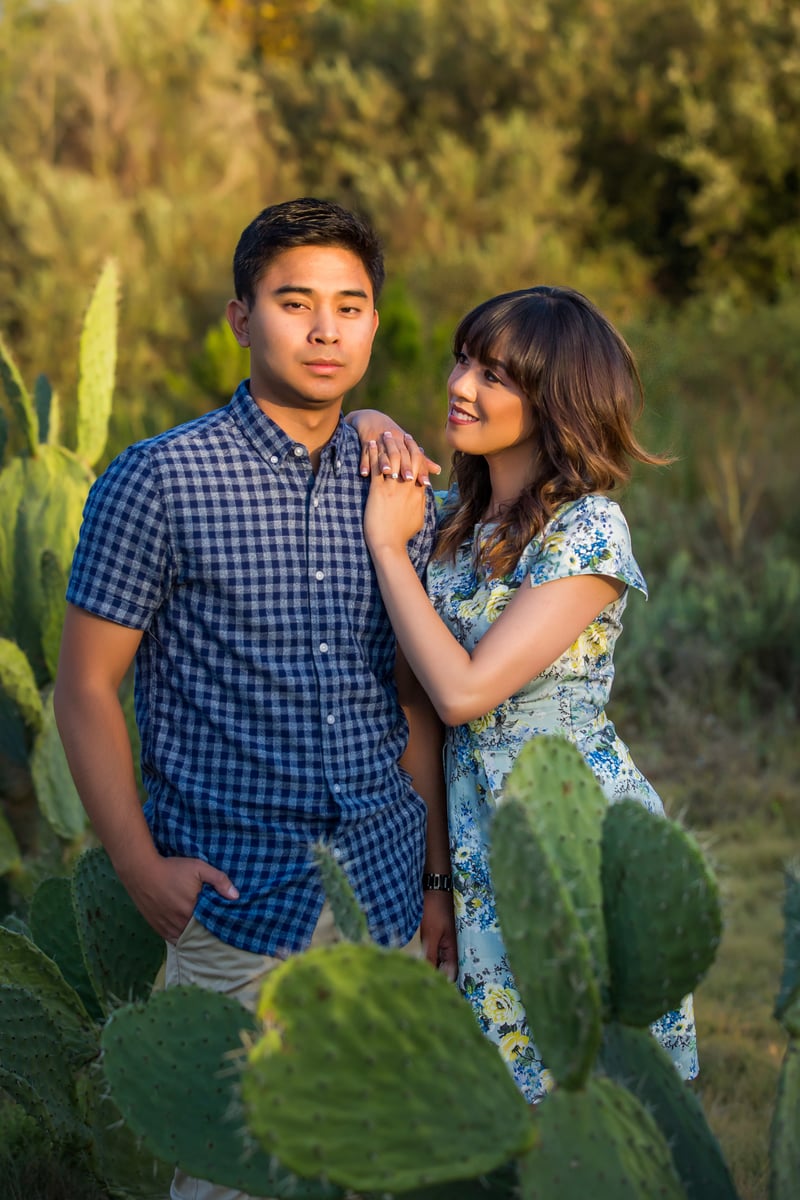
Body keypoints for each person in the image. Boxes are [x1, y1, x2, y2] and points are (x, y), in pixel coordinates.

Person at [54, 197, 455, 1200]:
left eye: (349, 307)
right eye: (294, 302)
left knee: (384, 1171)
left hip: (383, 891)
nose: (325, 331)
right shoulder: (159, 480)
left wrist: (434, 881)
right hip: (237, 906)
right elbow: (85, 687)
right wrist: (136, 864)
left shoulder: (399, 487)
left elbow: (410, 702)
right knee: (237, 1182)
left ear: (374, 322)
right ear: (241, 317)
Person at [356, 285, 698, 1104]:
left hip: (569, 835)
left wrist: (386, 549)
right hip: (472, 843)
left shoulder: (588, 530)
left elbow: (462, 693)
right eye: (462, 361)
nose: (459, 385)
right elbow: (418, 712)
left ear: (555, 401)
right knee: (491, 1104)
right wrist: (369, 422)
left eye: (493, 376)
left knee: (596, 1101)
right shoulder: (447, 524)